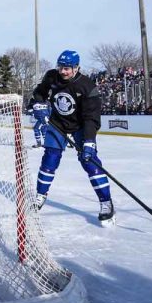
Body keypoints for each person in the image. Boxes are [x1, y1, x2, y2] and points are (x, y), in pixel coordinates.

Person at [32, 50, 114, 224]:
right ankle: (40, 195)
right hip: (57, 123)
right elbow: (39, 92)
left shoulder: (87, 86)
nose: (63, 71)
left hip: (81, 126)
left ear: (76, 68)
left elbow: (91, 118)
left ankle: (106, 202)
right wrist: (39, 103)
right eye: (61, 67)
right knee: (50, 158)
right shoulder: (52, 77)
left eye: (67, 68)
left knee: (90, 162)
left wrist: (90, 141)